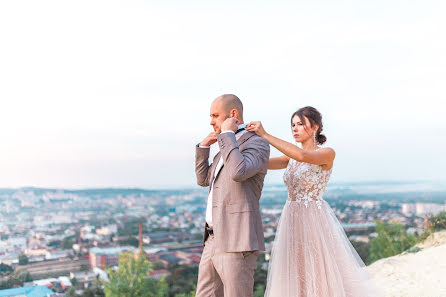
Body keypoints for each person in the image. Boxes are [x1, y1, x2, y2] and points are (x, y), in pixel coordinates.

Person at [247, 106, 382, 297]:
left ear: (316, 126)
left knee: (317, 267)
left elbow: (303, 156)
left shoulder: (326, 153)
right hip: (291, 218)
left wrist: (265, 135)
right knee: (295, 268)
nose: (295, 128)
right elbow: (262, 164)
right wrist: (240, 147)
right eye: (293, 125)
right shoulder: (290, 157)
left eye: (300, 124)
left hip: (314, 219)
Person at [195, 94, 270, 297]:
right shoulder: (225, 147)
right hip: (212, 239)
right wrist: (203, 147)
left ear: (233, 114)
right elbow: (203, 179)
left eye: (215, 115)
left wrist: (227, 134)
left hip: (237, 240)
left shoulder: (257, 144)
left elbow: (239, 172)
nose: (211, 122)